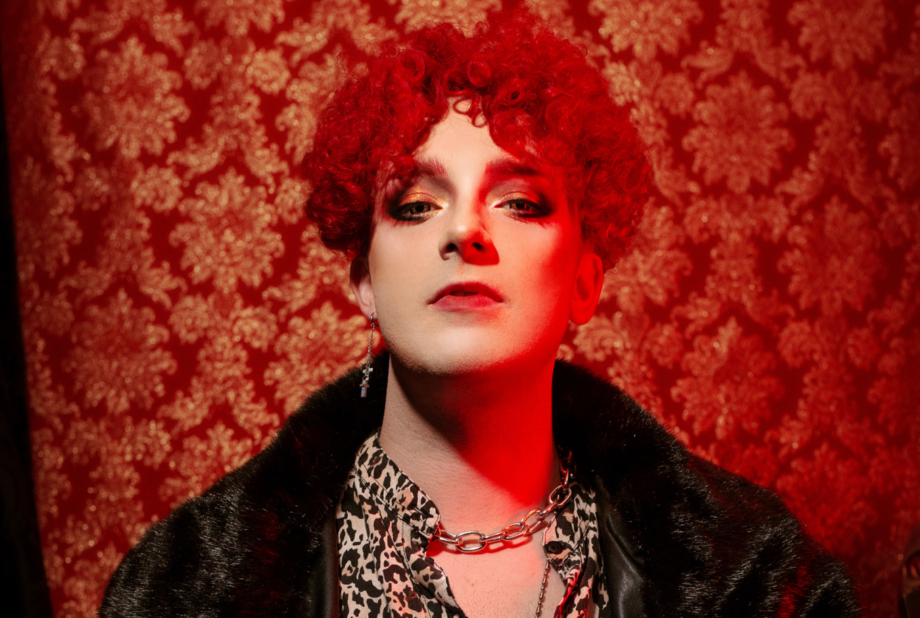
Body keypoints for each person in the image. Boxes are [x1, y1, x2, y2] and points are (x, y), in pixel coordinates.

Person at [100, 10, 860, 618]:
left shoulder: (754, 577)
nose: (464, 230)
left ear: (585, 283)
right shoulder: (187, 588)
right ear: (364, 283)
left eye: (520, 202)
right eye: (415, 204)